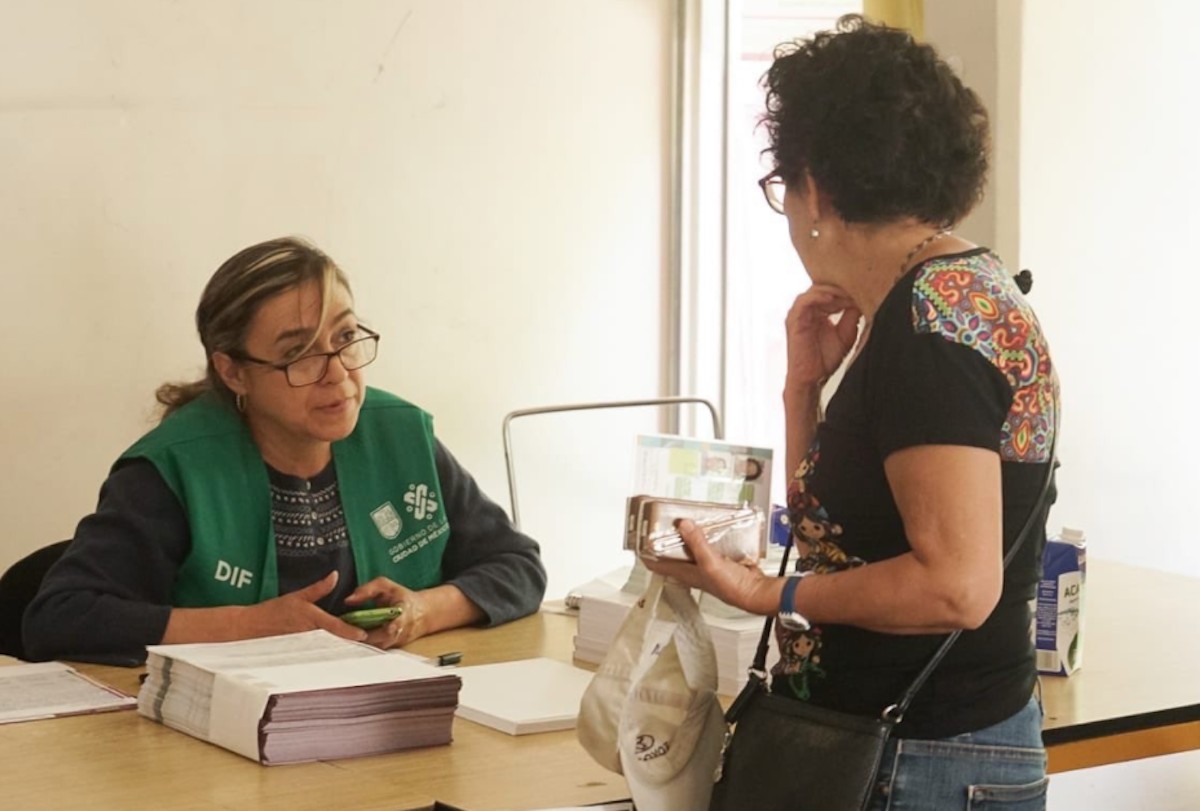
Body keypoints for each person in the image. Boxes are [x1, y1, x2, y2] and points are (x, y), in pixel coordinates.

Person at [644, 15, 1058, 810]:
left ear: (819, 191)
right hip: (921, 744)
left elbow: (955, 586)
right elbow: (841, 544)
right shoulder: (947, 294)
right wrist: (805, 391)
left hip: (923, 756)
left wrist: (768, 594)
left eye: (783, 188)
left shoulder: (929, 329)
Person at [23, 237, 547, 664]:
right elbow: (60, 617)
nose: (339, 374)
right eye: (298, 354)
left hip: (388, 716)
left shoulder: (400, 434)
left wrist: (423, 609)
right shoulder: (173, 469)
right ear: (233, 372)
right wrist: (249, 627)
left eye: (345, 337)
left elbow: (517, 566)